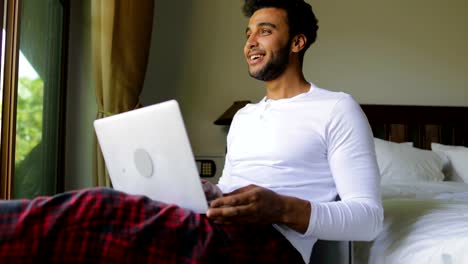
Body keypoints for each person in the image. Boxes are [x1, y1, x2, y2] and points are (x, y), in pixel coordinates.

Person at [0, 0, 383, 263]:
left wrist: (280, 207)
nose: (250, 42)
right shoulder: (246, 117)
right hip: (217, 228)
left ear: (298, 42)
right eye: (248, 33)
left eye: (264, 31)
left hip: (274, 248)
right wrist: (212, 191)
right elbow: (233, 186)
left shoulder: (336, 108)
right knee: (110, 221)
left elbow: (368, 219)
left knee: (100, 208)